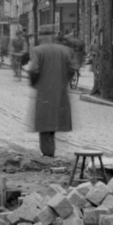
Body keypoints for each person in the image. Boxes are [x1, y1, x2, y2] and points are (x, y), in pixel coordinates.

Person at [27, 25, 74, 157]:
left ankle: (48, 155)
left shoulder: (38, 51)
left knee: (44, 125)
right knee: (53, 123)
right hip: (60, 93)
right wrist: (63, 81)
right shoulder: (65, 50)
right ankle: (50, 152)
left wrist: (34, 83)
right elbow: (72, 69)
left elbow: (33, 70)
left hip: (45, 92)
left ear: (42, 37)